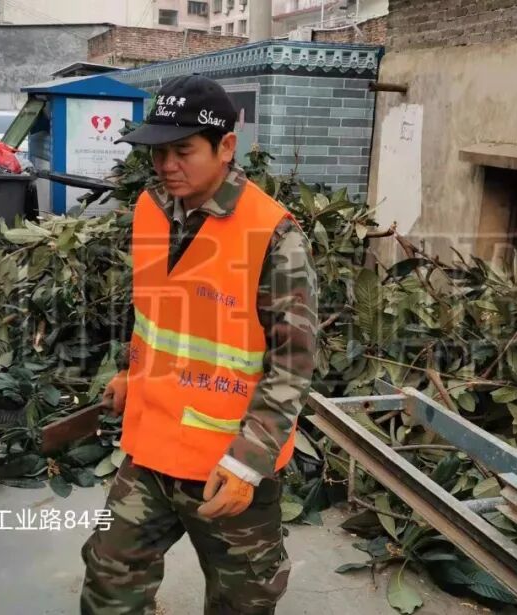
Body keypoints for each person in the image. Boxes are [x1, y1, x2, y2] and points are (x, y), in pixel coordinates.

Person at [79, 74, 319, 614]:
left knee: (242, 601)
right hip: (151, 448)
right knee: (109, 573)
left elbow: (293, 365)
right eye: (158, 151)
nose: (167, 165)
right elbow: (155, 315)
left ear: (226, 147)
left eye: (182, 151)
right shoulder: (151, 209)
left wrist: (249, 462)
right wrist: (131, 373)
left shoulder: (273, 236)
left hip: (226, 462)